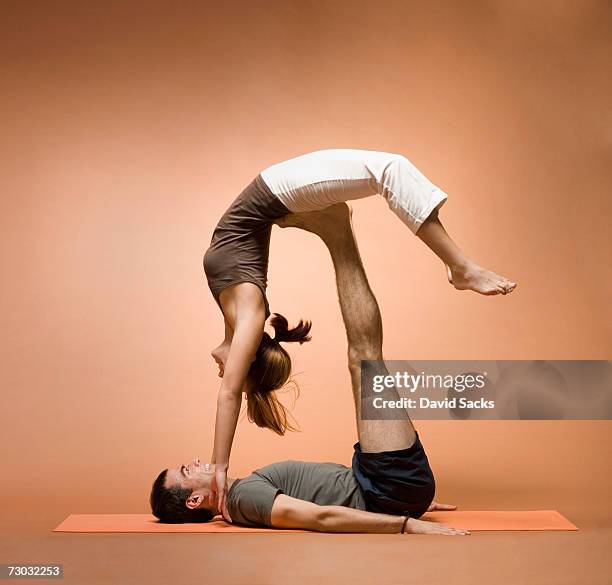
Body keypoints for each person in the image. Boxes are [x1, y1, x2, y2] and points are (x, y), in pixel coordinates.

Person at [202, 148, 517, 520]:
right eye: (233, 370)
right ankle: (460, 267)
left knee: (390, 170)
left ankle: (338, 224)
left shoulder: (234, 317)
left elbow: (233, 382)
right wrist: (219, 465)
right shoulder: (250, 318)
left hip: (275, 192)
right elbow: (229, 395)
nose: (221, 370)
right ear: (247, 356)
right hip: (275, 191)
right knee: (390, 170)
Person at [151, 202, 474, 535]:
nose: (191, 463)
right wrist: (406, 523)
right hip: (385, 490)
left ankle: (338, 231)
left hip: (383, 486)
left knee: (365, 359)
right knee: (363, 357)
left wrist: (416, 503)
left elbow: (329, 496)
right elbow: (321, 518)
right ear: (195, 501)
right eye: (185, 472)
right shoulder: (244, 499)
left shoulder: (245, 490)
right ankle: (338, 232)